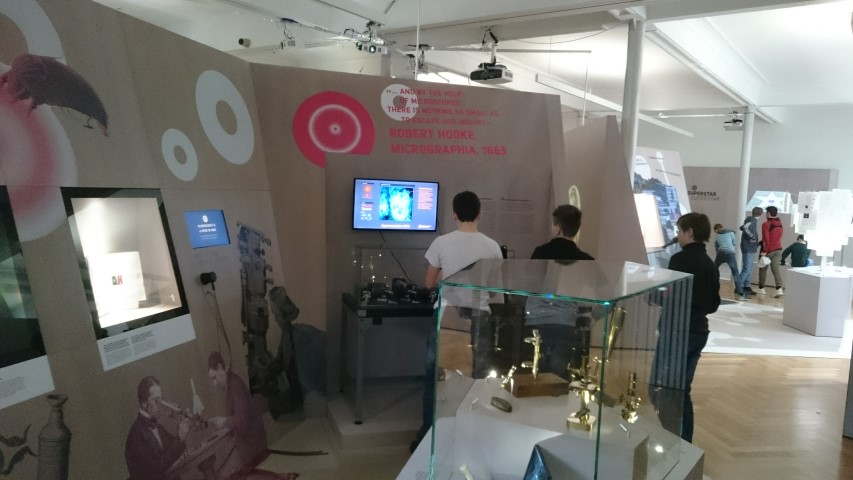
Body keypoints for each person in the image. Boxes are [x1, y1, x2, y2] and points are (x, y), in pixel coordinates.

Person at [412, 191, 502, 451]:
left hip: (448, 316)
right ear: (479, 213)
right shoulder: (492, 246)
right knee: (478, 377)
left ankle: (429, 435)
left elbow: (429, 283)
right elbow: (494, 291)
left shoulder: (441, 243)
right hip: (480, 317)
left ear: (454, 214)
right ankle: (473, 438)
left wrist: (444, 277)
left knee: (436, 377)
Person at [660, 212, 720, 443]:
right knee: (681, 390)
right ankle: (684, 444)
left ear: (690, 232)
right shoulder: (710, 264)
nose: (678, 236)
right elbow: (713, 304)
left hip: (677, 331)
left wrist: (655, 296)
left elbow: (670, 296)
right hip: (698, 331)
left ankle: (672, 441)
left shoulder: (680, 260)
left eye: (679, 231)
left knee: (666, 389)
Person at [524, 204, 594, 377]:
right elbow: (604, 289)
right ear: (576, 229)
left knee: (533, 369)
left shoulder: (540, 252)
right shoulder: (585, 259)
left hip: (536, 318)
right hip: (565, 322)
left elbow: (529, 283)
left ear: (557, 228)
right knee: (558, 373)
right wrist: (593, 317)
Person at [207, 351, 269, 476]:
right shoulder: (231, 384)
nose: (215, 383)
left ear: (220, 368)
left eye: (214, 378)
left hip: (254, 449)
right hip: (250, 448)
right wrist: (223, 425)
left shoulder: (235, 385)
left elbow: (243, 420)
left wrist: (225, 421)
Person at [125, 376, 188, 480]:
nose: (161, 405)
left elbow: (171, 451)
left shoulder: (156, 425)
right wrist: (180, 438)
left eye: (161, 400)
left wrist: (178, 425)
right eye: (156, 401)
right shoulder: (136, 435)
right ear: (144, 403)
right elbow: (156, 468)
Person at [736, 207, 763, 298]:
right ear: (760, 214)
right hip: (748, 248)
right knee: (747, 268)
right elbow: (744, 227)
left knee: (749, 268)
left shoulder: (751, 220)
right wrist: (752, 237)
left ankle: (746, 286)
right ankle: (738, 287)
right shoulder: (753, 220)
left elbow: (743, 227)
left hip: (750, 247)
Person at [758, 205, 785, 297]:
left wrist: (764, 251)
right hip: (778, 249)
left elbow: (766, 239)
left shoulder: (766, 224)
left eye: (766, 212)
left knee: (763, 269)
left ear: (768, 213)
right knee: (776, 270)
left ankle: (761, 289)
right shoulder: (780, 223)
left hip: (768, 250)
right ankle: (779, 289)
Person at [712, 223, 741, 296]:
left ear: (716, 229)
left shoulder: (717, 235)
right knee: (735, 271)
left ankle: (712, 285)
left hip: (720, 253)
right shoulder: (731, 233)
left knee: (714, 269)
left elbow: (716, 246)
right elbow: (734, 243)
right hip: (730, 253)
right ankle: (739, 289)